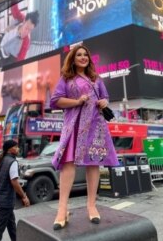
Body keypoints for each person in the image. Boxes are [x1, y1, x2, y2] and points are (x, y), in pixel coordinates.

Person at [50, 45, 119, 230]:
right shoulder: (66, 78)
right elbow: (55, 100)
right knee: (68, 164)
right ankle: (62, 209)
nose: (83, 57)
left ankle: (91, 205)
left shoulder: (96, 79)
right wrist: (77, 101)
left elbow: (105, 98)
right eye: (79, 55)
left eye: (85, 55)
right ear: (73, 59)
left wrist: (104, 101)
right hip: (74, 125)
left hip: (95, 125)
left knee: (93, 163)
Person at [0, 139, 30, 241]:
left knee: (11, 225)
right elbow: (14, 182)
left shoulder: (0, 160)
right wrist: (24, 196)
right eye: (15, 147)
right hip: (6, 201)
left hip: (2, 200)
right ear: (9, 150)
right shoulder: (13, 162)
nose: (18, 148)